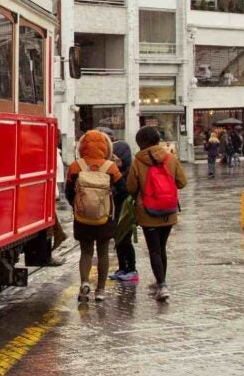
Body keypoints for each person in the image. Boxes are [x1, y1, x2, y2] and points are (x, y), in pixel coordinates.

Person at [127, 126, 188, 302]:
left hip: (148, 212)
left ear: (141, 143)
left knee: (154, 250)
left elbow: (131, 187)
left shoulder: (137, 161)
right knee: (162, 248)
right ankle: (161, 282)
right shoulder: (170, 158)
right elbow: (182, 182)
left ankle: (162, 285)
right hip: (168, 211)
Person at [65, 130, 127, 304]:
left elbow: (68, 192)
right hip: (105, 217)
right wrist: (111, 203)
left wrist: (77, 206)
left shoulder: (76, 166)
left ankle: (84, 283)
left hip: (82, 216)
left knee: (85, 252)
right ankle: (100, 290)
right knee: (103, 252)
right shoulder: (110, 167)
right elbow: (124, 190)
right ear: (106, 146)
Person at [108, 136, 138, 283]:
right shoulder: (115, 172)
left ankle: (132, 269)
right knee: (118, 239)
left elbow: (127, 191)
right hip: (116, 211)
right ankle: (122, 267)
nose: (114, 162)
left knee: (125, 240)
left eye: (116, 159)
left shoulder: (128, 173)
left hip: (126, 212)